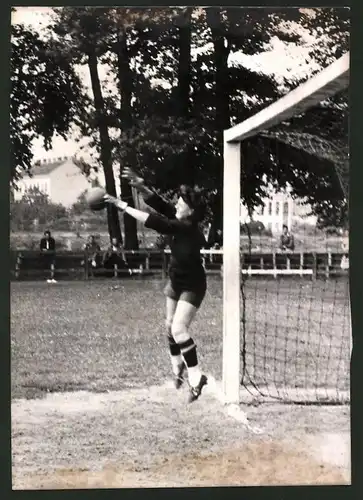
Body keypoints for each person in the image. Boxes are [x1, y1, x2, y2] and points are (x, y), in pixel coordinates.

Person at [104, 168, 208, 403]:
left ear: (190, 211)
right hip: (176, 279)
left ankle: (196, 377)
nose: (177, 205)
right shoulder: (181, 218)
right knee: (169, 325)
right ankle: (177, 370)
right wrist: (141, 186)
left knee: (179, 330)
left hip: (193, 284)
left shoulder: (186, 227)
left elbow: (154, 220)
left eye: (181, 204)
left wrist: (122, 205)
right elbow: (159, 204)